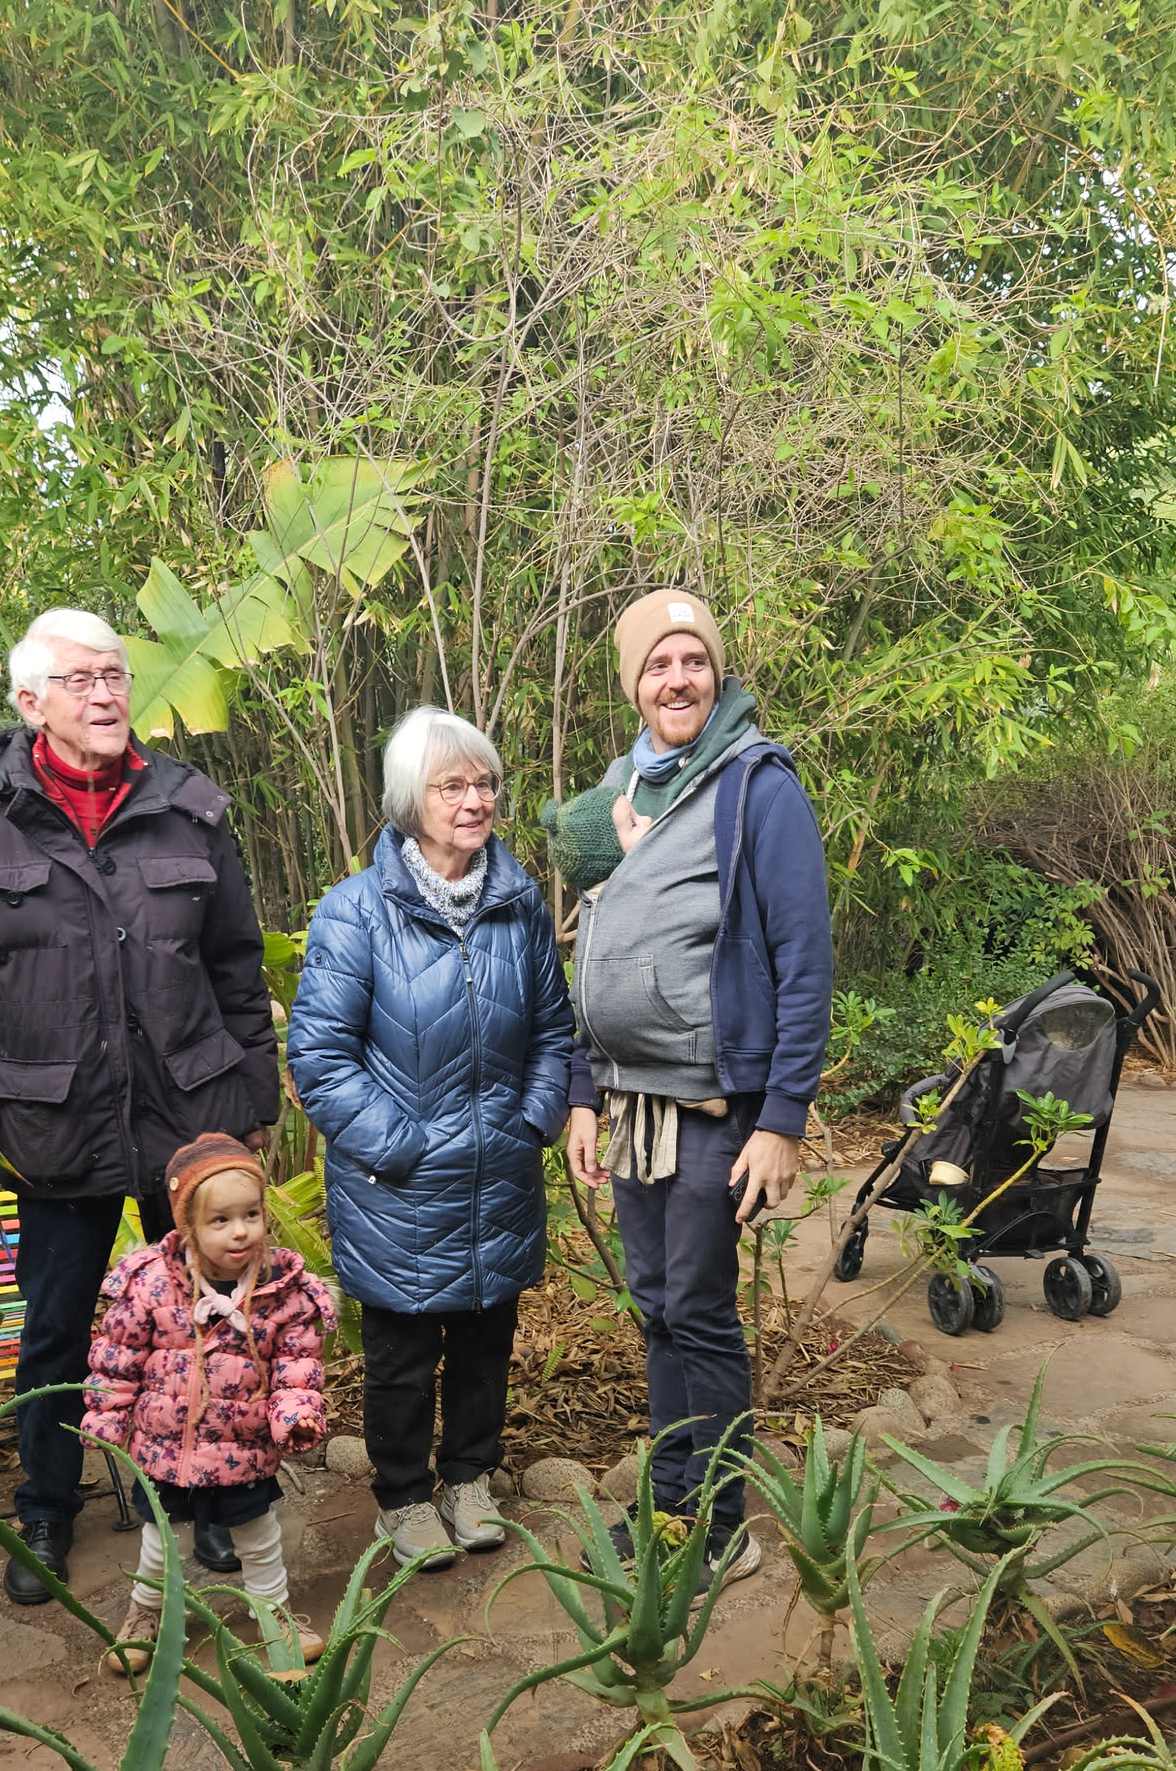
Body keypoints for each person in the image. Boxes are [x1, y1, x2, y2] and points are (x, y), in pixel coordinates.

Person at [0, 608, 279, 1606]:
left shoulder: (188, 809)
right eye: (81, 679)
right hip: (53, 1124)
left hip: (190, 1118)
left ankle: (209, 1498)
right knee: (57, 1328)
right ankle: (46, 1503)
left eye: (115, 674)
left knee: (205, 1319)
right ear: (31, 702)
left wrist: (253, 1105)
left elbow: (237, 973)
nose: (107, 693)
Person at [552, 589, 833, 1575]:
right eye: (658, 664)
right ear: (633, 684)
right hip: (632, 1101)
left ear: (718, 673)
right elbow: (591, 949)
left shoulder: (757, 784)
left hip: (717, 1107)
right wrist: (582, 1091)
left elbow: (804, 957)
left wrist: (783, 1119)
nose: (678, 679)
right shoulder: (620, 789)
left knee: (701, 1311)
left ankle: (719, 1524)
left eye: (694, 661)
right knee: (659, 1307)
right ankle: (672, 1507)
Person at [287, 706, 574, 1569]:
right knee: (402, 1356)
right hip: (399, 1186)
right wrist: (404, 1146)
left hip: (500, 1171)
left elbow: (553, 1031)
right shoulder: (356, 912)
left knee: (487, 1344)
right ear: (411, 799)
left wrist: (532, 1119)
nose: (475, 800)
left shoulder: (520, 905)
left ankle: (470, 1479)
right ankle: (405, 1496)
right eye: (452, 785)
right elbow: (320, 1059)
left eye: (485, 783)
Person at [81, 1135, 333, 1674]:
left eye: (251, 1214)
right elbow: (118, 1358)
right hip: (166, 1449)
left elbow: (297, 1366)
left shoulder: (284, 1291)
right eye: (221, 1220)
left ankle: (273, 1614)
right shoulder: (152, 1284)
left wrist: (294, 1414)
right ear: (190, 1227)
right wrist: (106, 1415)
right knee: (162, 1541)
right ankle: (145, 1612)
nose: (240, 1231)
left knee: (259, 1537)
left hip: (243, 1449)